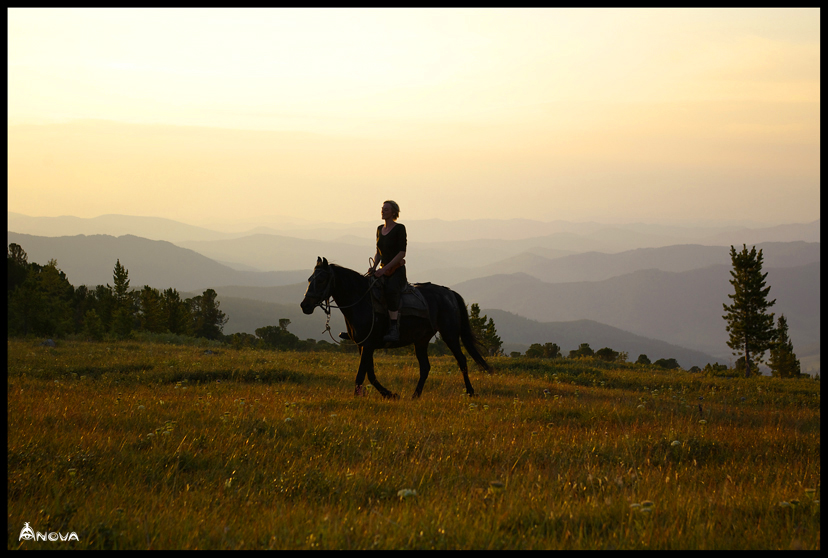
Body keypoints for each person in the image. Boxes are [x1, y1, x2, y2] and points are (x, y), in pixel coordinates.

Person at [370, 200, 407, 342]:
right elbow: (378, 252)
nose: (383, 211)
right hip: (382, 270)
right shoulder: (379, 229)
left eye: (386, 209)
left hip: (396, 271)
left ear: (393, 212)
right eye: (382, 209)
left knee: (391, 291)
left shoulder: (399, 228)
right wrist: (374, 267)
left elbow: (402, 253)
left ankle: (394, 328)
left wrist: (385, 268)